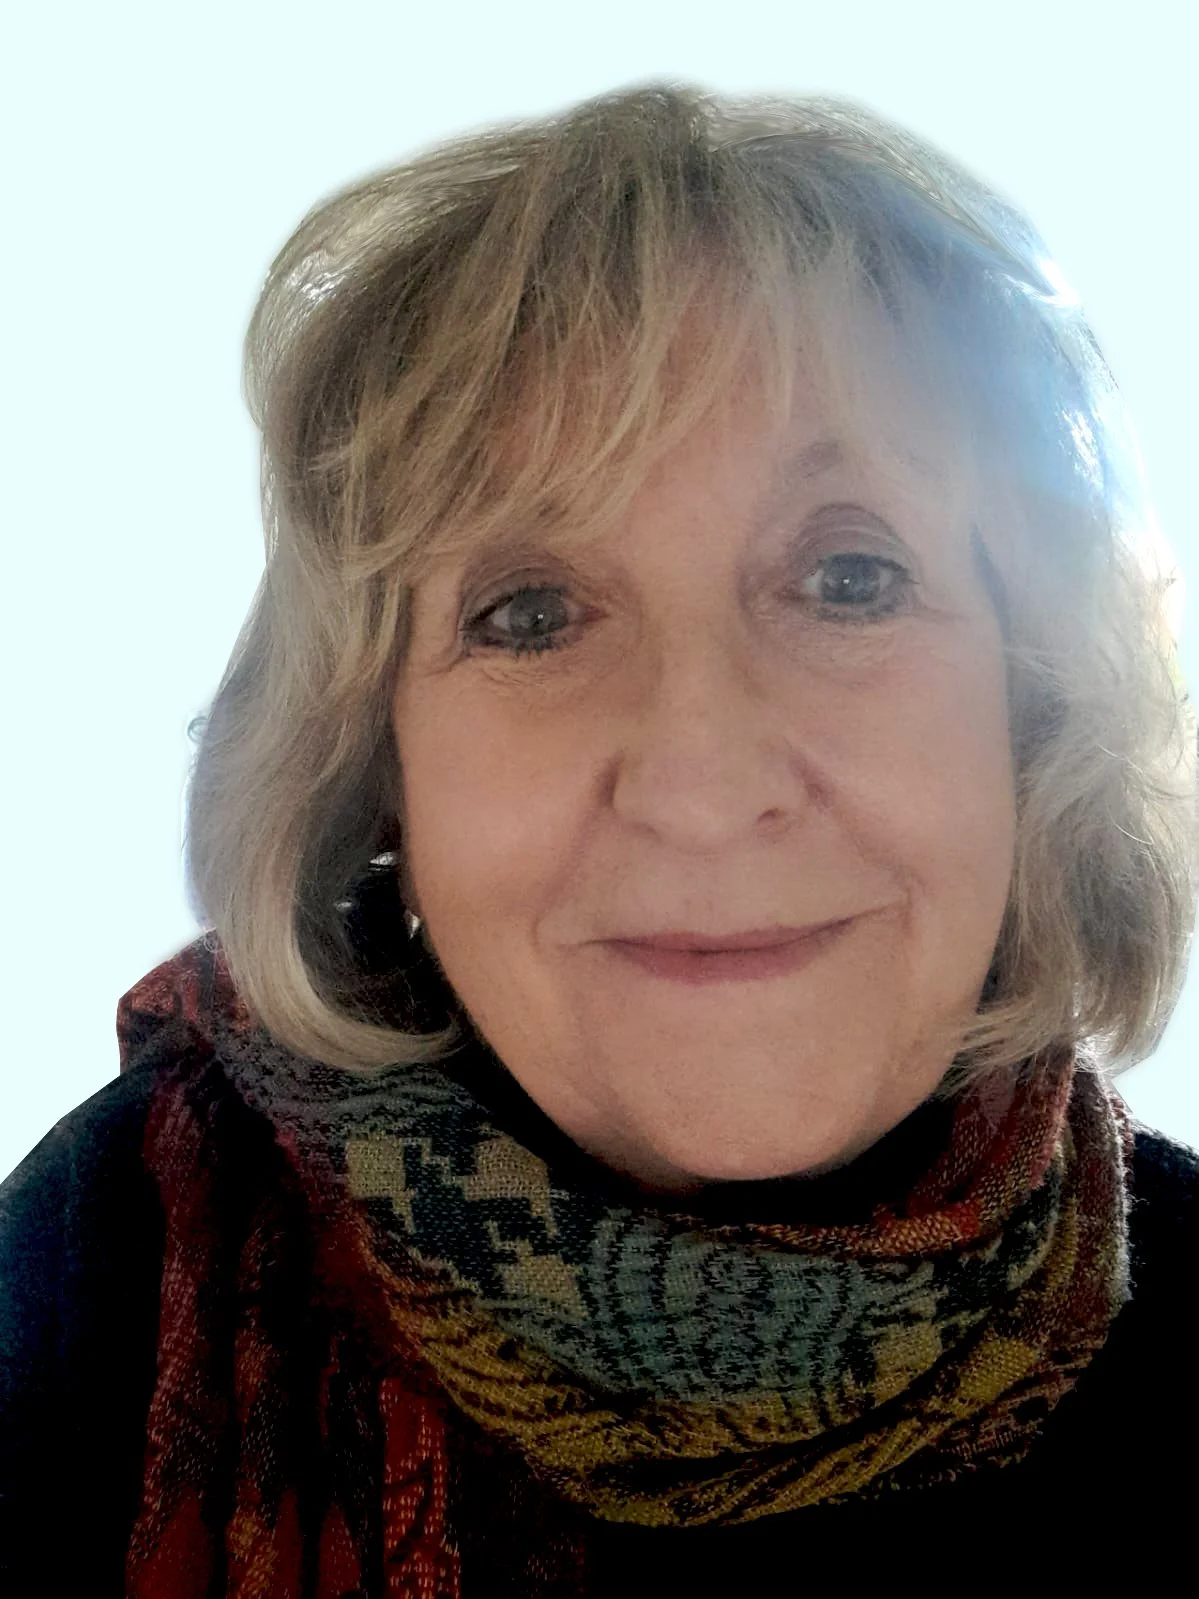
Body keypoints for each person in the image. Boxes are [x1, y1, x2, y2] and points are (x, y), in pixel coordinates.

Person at [2, 82, 1197, 1595]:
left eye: (848, 579)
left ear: (1034, 715)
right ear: (377, 768)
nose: (701, 782)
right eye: (530, 614)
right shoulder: (96, 1271)